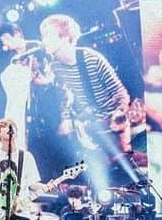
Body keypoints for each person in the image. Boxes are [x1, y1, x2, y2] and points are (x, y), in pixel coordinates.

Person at [36, 14, 131, 171]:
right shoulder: (56, 67)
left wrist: (119, 115)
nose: (43, 41)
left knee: (127, 167)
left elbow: (121, 93)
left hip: (113, 124)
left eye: (48, 35)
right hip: (91, 127)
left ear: (65, 37)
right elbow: (64, 97)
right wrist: (66, 119)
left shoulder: (91, 58)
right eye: (43, 36)